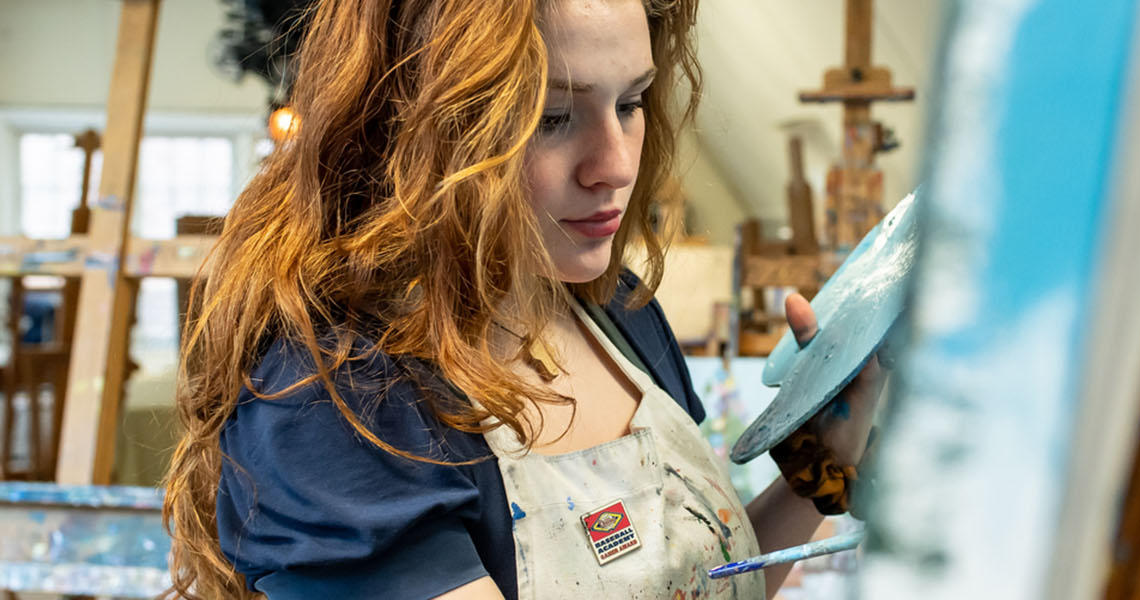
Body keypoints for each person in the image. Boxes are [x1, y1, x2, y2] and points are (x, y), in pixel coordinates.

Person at [162, 0, 883, 598]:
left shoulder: (615, 309)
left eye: (630, 102)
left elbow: (711, 577)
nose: (617, 165)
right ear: (414, 126)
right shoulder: (336, 392)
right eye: (551, 117)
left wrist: (818, 465)